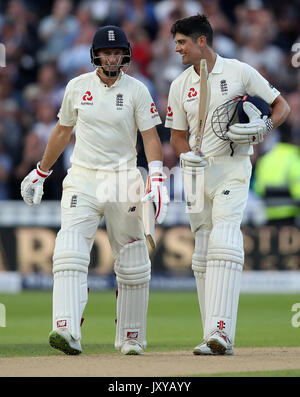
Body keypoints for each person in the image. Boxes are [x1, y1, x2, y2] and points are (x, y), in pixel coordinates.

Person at [20, 25, 169, 356]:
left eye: (117, 52)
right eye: (107, 52)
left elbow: (150, 137)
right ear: (96, 55)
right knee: (69, 250)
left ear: (125, 55)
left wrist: (156, 176)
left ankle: (131, 336)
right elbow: (62, 131)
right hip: (83, 178)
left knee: (132, 260)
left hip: (123, 178)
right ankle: (67, 330)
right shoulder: (77, 87)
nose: (113, 57)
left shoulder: (137, 90)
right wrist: (41, 171)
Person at [165, 14, 290, 355]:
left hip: (233, 167)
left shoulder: (239, 71)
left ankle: (222, 332)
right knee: (202, 256)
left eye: (182, 42)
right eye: (176, 43)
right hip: (196, 173)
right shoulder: (179, 85)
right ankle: (211, 335)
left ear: (201, 41)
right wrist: (184, 155)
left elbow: (282, 106)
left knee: (224, 241)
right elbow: (177, 136)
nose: (177, 49)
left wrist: (263, 129)